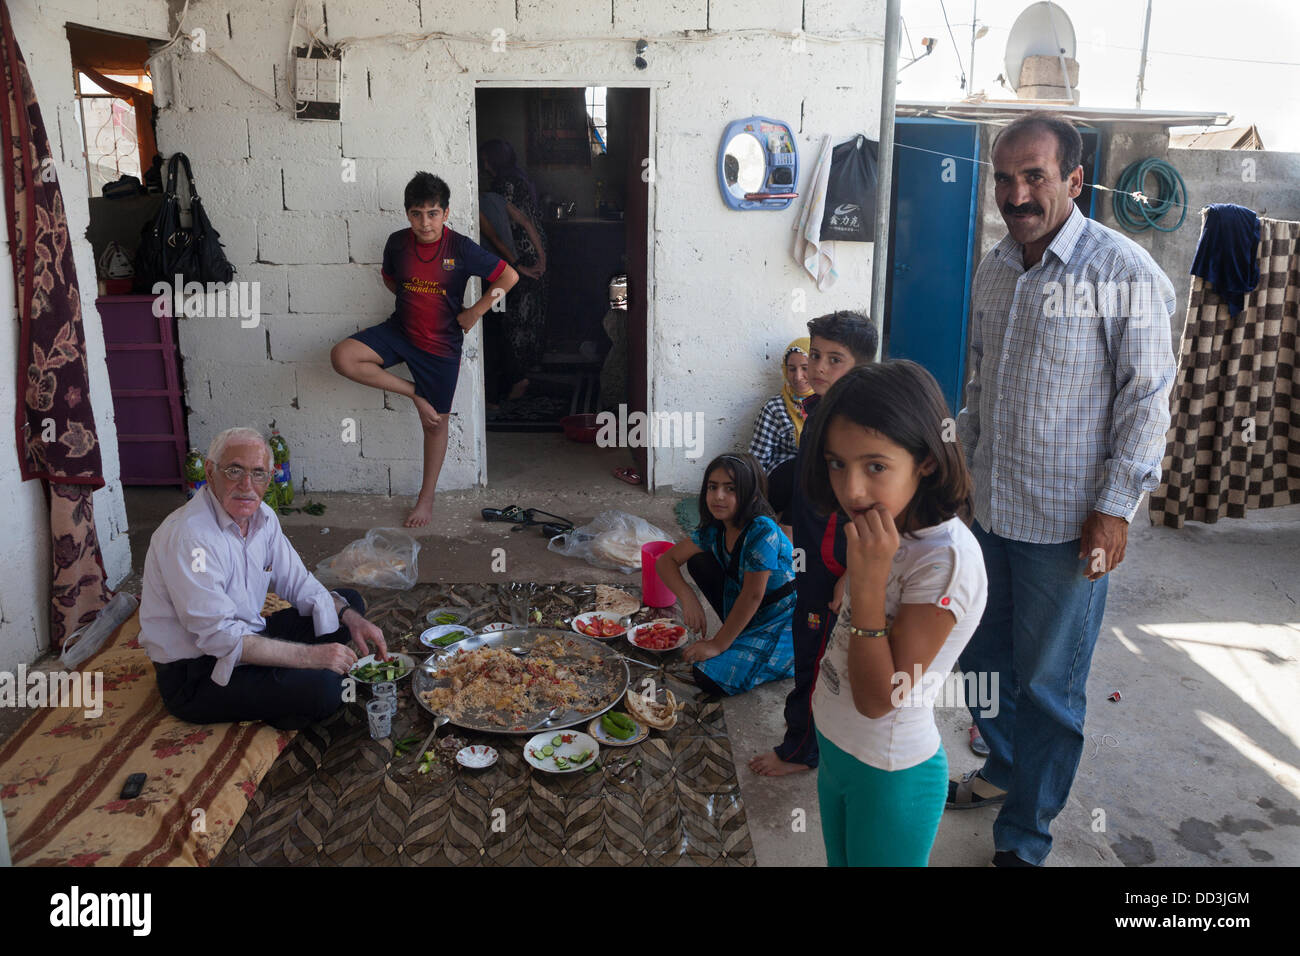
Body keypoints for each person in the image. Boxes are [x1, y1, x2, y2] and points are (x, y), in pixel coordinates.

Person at [951, 113, 1176, 866]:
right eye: (1004, 178)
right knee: (982, 665)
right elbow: (978, 384)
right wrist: (963, 475)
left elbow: (1148, 401)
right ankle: (1003, 768)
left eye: (1034, 176)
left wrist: (1115, 510)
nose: (1017, 194)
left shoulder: (1123, 273)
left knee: (1049, 687)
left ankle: (1025, 837)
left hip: (1068, 527)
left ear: (1074, 180)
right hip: (991, 513)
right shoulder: (994, 268)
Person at [804, 361, 988, 866]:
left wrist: (865, 581)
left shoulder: (947, 563)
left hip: (889, 773)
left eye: (875, 466)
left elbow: (879, 700)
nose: (852, 489)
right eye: (837, 463)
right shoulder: (889, 528)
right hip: (839, 753)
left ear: (926, 460)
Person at [140, 427, 389, 730]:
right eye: (235, 470)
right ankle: (280, 698)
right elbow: (220, 637)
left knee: (347, 604)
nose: (247, 485)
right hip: (198, 671)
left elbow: (298, 582)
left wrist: (350, 618)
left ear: (269, 478)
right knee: (327, 687)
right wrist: (312, 658)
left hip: (249, 635)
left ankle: (278, 690)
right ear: (209, 471)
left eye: (258, 474)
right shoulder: (190, 537)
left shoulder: (264, 518)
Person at [330, 172, 518, 527]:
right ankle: (417, 393)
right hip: (399, 332)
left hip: (440, 345)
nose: (424, 222)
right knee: (342, 356)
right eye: (417, 213)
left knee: (434, 425)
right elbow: (391, 280)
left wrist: (474, 313)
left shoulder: (460, 247)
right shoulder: (397, 243)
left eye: (432, 213)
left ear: (445, 214)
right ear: (407, 213)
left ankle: (425, 497)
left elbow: (509, 276)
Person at [752, 310, 878, 777]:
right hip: (810, 559)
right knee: (813, 649)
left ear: (860, 368)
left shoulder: (855, 430)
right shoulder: (819, 411)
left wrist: (851, 574)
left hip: (834, 568)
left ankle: (801, 751)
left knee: (814, 658)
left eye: (834, 360)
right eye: (816, 354)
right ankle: (820, 738)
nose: (818, 368)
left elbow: (870, 509)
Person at [654, 453, 796, 696]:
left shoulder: (763, 530)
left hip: (781, 618)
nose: (719, 496)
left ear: (751, 494)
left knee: (708, 676)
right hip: (748, 605)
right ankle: (737, 636)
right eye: (713, 487)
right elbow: (666, 560)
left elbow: (753, 595)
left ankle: (755, 646)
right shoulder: (716, 527)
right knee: (698, 561)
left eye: (730, 489)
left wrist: (717, 644)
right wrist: (689, 598)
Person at [480, 140, 547, 399]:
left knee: (505, 323)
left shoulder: (495, 193)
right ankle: (522, 373)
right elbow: (527, 221)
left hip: (506, 263)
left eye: (486, 160)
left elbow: (496, 239)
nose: (484, 166)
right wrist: (541, 258)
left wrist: (519, 265)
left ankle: (513, 380)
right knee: (519, 317)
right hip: (520, 260)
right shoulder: (514, 183)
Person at [748, 337, 814, 474]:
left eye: (805, 368)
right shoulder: (775, 409)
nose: (798, 376)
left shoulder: (829, 404)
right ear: (785, 370)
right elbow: (756, 460)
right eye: (792, 369)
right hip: (784, 484)